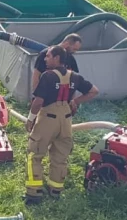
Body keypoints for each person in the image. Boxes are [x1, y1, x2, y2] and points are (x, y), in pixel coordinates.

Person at [25, 46, 99, 205]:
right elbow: (93, 91)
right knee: (60, 156)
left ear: (57, 58)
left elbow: (38, 101)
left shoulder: (48, 76)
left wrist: (30, 119)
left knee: (35, 154)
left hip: (47, 119)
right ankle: (56, 190)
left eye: (48, 56)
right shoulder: (75, 76)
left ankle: (34, 193)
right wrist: (75, 102)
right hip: (66, 121)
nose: (45, 59)